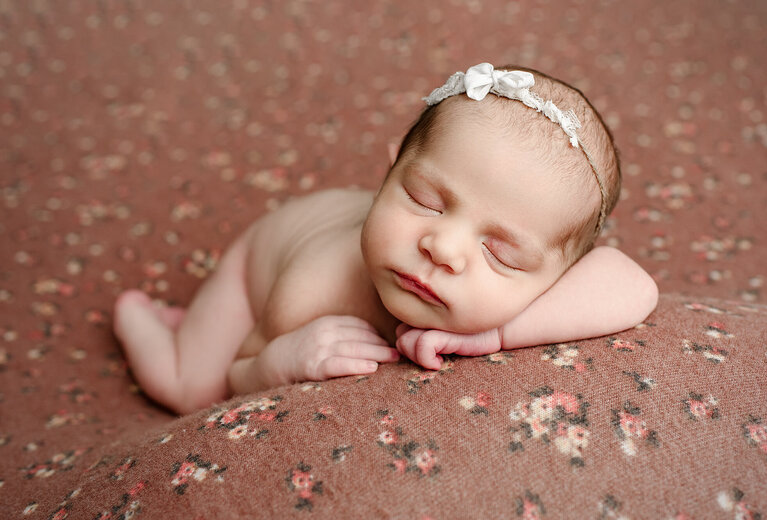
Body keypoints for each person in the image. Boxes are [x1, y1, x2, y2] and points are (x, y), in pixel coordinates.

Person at [113, 63, 659, 415]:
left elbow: (635, 287)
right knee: (191, 390)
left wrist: (496, 335)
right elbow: (240, 370)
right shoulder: (313, 289)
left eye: (500, 253)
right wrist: (282, 359)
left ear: (561, 271)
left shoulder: (541, 270)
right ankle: (140, 316)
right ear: (392, 166)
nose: (442, 249)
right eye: (424, 199)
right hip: (258, 266)